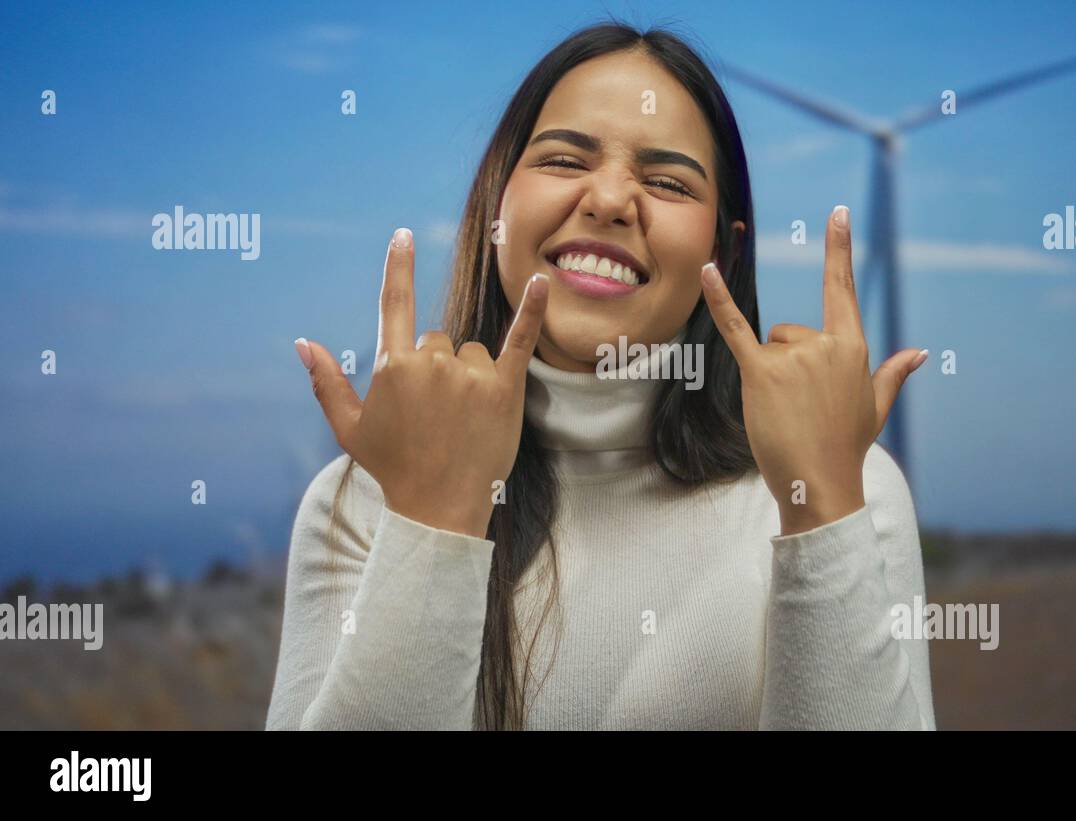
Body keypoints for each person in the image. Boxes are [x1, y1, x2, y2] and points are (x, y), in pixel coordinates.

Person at [266, 21, 935, 731]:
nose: (611, 199)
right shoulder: (361, 502)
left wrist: (822, 511)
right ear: (498, 202)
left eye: (667, 181)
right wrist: (436, 519)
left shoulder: (847, 486)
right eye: (563, 160)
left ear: (726, 250)